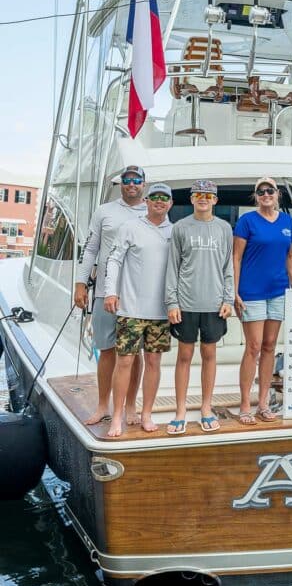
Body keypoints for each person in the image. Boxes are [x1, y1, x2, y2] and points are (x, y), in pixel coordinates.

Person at [74, 165, 147, 425]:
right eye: (127, 180)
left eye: (136, 180)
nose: (131, 184)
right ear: (121, 184)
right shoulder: (104, 211)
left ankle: (129, 406)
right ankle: (103, 404)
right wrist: (81, 283)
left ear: (143, 184)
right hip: (105, 292)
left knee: (134, 352)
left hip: (138, 296)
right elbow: (91, 249)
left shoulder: (151, 211)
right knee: (106, 350)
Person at [103, 183, 174, 437]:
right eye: (154, 197)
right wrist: (111, 291)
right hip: (130, 309)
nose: (159, 201)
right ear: (146, 201)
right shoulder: (130, 228)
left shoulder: (174, 232)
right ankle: (118, 415)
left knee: (154, 362)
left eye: (164, 198)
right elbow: (114, 259)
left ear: (170, 204)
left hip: (161, 312)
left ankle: (146, 414)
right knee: (125, 362)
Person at [165, 179, 234, 435]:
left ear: (215, 200)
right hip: (186, 303)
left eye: (208, 195)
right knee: (184, 357)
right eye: (198, 194)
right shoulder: (180, 228)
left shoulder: (224, 228)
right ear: (192, 199)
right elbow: (172, 267)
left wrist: (228, 299)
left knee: (209, 355)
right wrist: (172, 302)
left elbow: (228, 267)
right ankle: (180, 411)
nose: (203, 198)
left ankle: (206, 408)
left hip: (215, 304)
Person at [233, 177, 292, 425]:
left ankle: (263, 403)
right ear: (256, 196)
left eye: (269, 190)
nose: (265, 194)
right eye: (261, 191)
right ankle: (244, 405)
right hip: (251, 292)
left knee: (270, 345)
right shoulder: (247, 221)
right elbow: (236, 258)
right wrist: (235, 291)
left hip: (278, 290)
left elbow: (290, 255)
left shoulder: (287, 221)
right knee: (253, 346)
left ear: (277, 194)